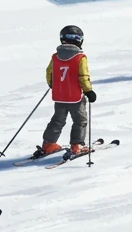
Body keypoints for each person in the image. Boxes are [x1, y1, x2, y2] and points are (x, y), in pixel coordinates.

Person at [30, 25, 95, 160]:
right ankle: (76, 145)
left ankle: (49, 144)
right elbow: (83, 76)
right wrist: (88, 91)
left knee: (57, 120)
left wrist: (53, 85)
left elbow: (50, 73)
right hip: (75, 97)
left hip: (59, 96)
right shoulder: (80, 57)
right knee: (80, 120)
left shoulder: (55, 57)